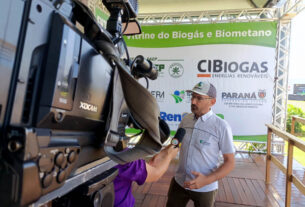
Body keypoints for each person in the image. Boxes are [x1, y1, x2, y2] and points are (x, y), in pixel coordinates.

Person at [166, 81, 235, 207]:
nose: (193, 102)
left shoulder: (221, 127)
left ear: (212, 102)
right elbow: (175, 145)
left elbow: (230, 162)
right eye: (192, 96)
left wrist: (206, 180)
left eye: (199, 98)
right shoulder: (186, 119)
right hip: (179, 182)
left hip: (205, 188)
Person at [113, 143, 179, 207]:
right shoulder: (123, 157)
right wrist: (169, 155)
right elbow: (156, 174)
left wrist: (164, 153)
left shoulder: (110, 155)